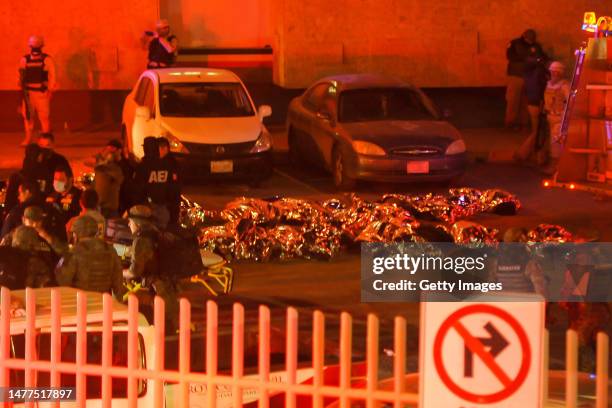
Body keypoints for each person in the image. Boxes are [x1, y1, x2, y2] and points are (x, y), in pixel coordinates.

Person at [124, 205, 178, 332]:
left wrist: (120, 273)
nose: (128, 225)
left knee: (160, 326)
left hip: (156, 289)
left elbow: (134, 271)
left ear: (137, 223)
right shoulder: (156, 232)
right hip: (168, 284)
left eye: (130, 222)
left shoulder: (141, 240)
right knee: (168, 323)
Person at [55, 216, 126, 301]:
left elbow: (62, 281)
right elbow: (118, 281)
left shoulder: (74, 251)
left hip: (79, 304)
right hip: (103, 303)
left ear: (76, 234)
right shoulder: (109, 249)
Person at [18, 35, 57, 146]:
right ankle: (28, 139)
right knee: (28, 117)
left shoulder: (47, 59)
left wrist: (50, 90)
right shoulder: (25, 59)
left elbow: (52, 76)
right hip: (28, 93)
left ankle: (46, 139)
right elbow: (21, 77)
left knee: (44, 117)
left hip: (41, 92)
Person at [505, 29, 547, 131]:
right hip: (516, 76)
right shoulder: (514, 43)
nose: (531, 41)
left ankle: (524, 123)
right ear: (524, 36)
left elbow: (542, 56)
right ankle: (511, 123)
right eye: (529, 39)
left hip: (530, 76)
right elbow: (510, 56)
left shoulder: (536, 46)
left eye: (532, 39)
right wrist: (528, 59)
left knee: (526, 101)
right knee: (513, 100)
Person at [133, 137, 178, 229]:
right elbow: (173, 187)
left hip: (147, 208)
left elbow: (138, 189)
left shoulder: (143, 166)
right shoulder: (167, 165)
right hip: (164, 208)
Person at [489, 227, 547, 297]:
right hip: (525, 305)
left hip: (505, 305)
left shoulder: (497, 263)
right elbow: (541, 292)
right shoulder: (529, 263)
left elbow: (490, 288)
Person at [514, 54, 549, 163]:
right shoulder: (538, 74)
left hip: (531, 103)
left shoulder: (527, 74)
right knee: (538, 131)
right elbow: (542, 88)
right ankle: (523, 154)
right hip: (538, 104)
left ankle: (529, 154)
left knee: (536, 131)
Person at [542, 61, 571, 175]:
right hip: (550, 116)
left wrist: (564, 115)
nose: (554, 74)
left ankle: (555, 167)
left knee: (556, 143)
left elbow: (570, 101)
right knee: (551, 142)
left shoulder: (564, 85)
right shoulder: (549, 84)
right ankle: (553, 166)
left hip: (559, 117)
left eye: (556, 72)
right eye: (552, 71)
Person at [93, 144, 124, 218]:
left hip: (110, 209)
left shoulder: (115, 169)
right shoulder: (100, 168)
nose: (108, 154)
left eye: (110, 153)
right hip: (99, 208)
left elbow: (120, 179)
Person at [45, 167, 81, 232]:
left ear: (70, 180)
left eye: (61, 180)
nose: (57, 182)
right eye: (55, 179)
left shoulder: (78, 196)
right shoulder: (52, 196)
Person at [158, 137, 181, 225]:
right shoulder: (156, 162)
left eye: (163, 147)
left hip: (170, 202)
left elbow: (175, 184)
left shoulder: (172, 164)